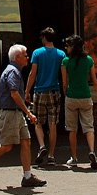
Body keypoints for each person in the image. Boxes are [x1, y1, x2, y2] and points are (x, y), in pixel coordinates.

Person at [0, 45, 47, 189]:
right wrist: (28, 112)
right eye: (25, 55)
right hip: (10, 114)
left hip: (16, 113)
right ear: (17, 57)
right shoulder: (13, 72)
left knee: (26, 142)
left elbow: (16, 94)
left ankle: (28, 176)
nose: (27, 58)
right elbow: (14, 94)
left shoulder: (15, 71)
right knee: (6, 146)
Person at [61, 34, 97, 170]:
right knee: (88, 127)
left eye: (68, 45)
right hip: (86, 96)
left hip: (71, 96)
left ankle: (74, 157)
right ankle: (92, 151)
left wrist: (66, 94)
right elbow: (94, 80)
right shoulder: (89, 60)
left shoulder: (66, 61)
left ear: (72, 47)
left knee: (72, 129)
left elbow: (64, 82)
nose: (66, 48)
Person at [25, 27, 66, 165]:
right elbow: (63, 75)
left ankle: (42, 145)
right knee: (52, 125)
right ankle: (52, 155)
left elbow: (33, 73)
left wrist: (27, 91)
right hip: (54, 90)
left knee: (37, 122)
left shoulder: (37, 53)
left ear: (44, 38)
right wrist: (65, 89)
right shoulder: (61, 54)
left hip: (40, 91)